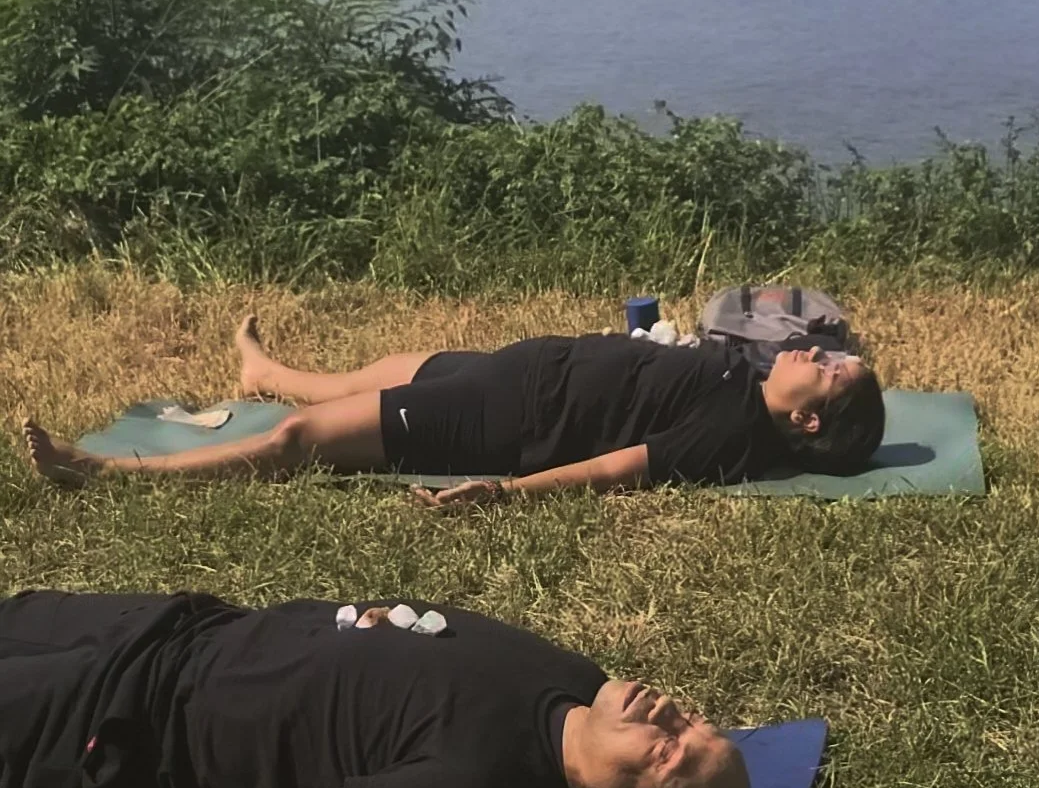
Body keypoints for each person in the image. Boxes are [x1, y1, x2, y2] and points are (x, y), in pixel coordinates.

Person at [0, 588, 750, 788]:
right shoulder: (578, 680)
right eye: (690, 720)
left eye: (666, 751)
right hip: (182, 628)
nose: (667, 712)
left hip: (113, 727)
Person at [22, 315, 886, 501]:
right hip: (525, 373)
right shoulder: (747, 380)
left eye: (829, 370)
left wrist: (508, 493)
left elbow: (624, 468)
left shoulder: (733, 429)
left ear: (808, 421)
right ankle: (265, 370)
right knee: (388, 369)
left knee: (298, 439)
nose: (815, 353)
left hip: (511, 422)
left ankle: (105, 469)